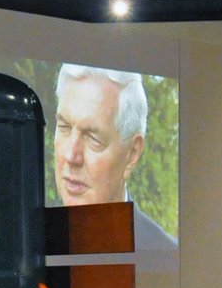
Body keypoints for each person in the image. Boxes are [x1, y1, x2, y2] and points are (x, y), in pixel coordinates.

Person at [51, 64, 175, 252]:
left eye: (93, 138)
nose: (70, 156)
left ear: (132, 154)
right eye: (64, 127)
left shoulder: (165, 256)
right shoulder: (28, 244)